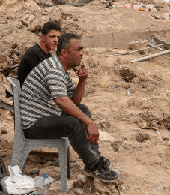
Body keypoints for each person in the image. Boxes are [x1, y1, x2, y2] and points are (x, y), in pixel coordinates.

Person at [18, 32, 119, 181]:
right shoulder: (54, 69)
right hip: (33, 125)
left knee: (83, 109)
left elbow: (74, 102)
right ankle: (93, 165)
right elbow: (62, 101)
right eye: (78, 50)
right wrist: (89, 123)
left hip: (46, 116)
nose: (82, 53)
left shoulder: (62, 69)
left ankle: (96, 159)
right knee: (73, 124)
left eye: (82, 49)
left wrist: (82, 81)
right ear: (64, 53)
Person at [17, 21, 61, 86]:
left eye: (58, 37)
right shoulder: (34, 54)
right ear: (42, 37)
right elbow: (44, 80)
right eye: (52, 36)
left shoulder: (47, 54)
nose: (56, 40)